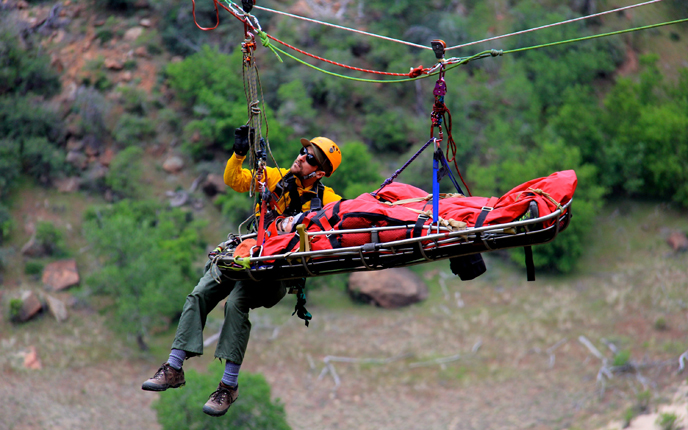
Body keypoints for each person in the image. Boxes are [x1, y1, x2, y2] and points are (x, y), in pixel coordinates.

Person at [141, 126, 342, 417]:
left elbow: (346, 218)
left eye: (310, 158)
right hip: (249, 252)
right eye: (303, 151)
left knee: (237, 303)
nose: (301, 157)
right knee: (200, 293)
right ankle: (173, 367)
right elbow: (234, 180)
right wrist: (239, 154)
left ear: (320, 172)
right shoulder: (275, 177)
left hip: (276, 270)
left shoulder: (327, 201)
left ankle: (228, 387)